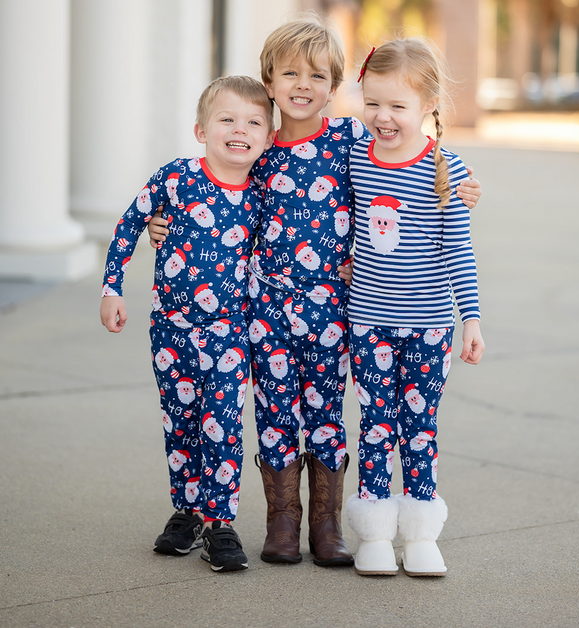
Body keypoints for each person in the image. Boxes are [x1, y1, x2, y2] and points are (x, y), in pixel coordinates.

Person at [148, 14, 482, 569]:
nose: (302, 86)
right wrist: (164, 222)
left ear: (335, 85)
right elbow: (210, 189)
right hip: (265, 310)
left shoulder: (351, 139)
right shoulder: (253, 145)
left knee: (327, 414)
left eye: (317, 76)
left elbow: (407, 162)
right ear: (269, 81)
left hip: (333, 308)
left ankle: (327, 526)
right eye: (289, 75)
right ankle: (283, 522)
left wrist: (460, 183)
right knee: (275, 414)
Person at [100, 75, 275, 572]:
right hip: (170, 330)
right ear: (201, 129)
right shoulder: (176, 178)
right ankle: (188, 510)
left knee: (222, 425)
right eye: (227, 120)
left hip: (232, 333)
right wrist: (112, 287)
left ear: (266, 138)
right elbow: (129, 222)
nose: (239, 130)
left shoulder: (264, 196)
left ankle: (221, 522)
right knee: (181, 424)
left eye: (253, 123)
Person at [344, 38, 485, 577]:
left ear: (428, 107)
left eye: (397, 106)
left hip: (429, 328)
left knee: (420, 428)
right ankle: (375, 534)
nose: (382, 117)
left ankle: (421, 533)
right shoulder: (356, 156)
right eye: (372, 102)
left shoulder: (445, 168)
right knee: (376, 426)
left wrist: (470, 318)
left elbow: (458, 252)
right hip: (368, 323)